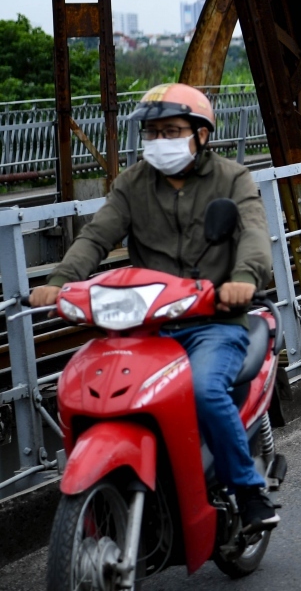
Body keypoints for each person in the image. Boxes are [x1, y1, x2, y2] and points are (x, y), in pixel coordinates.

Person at [29, 84, 279, 532]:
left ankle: (246, 488)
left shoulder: (232, 179)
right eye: (153, 132)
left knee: (205, 389)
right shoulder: (132, 183)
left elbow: (254, 235)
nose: (161, 142)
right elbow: (96, 236)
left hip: (213, 322)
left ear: (201, 134)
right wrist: (59, 281)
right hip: (148, 326)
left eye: (173, 131)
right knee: (89, 384)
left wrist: (243, 280)